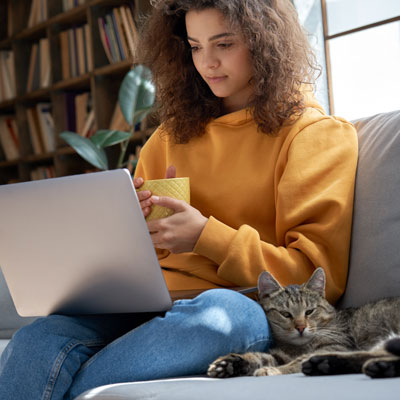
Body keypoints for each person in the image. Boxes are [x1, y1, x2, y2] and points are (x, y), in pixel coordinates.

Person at [0, 0, 358, 398]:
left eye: (223, 44)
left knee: (224, 319)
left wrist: (205, 234)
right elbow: (146, 253)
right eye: (195, 46)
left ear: (263, 42)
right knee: (38, 338)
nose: (207, 62)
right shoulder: (170, 137)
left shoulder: (315, 135)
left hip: (239, 308)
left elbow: (315, 276)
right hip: (140, 305)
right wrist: (130, 226)